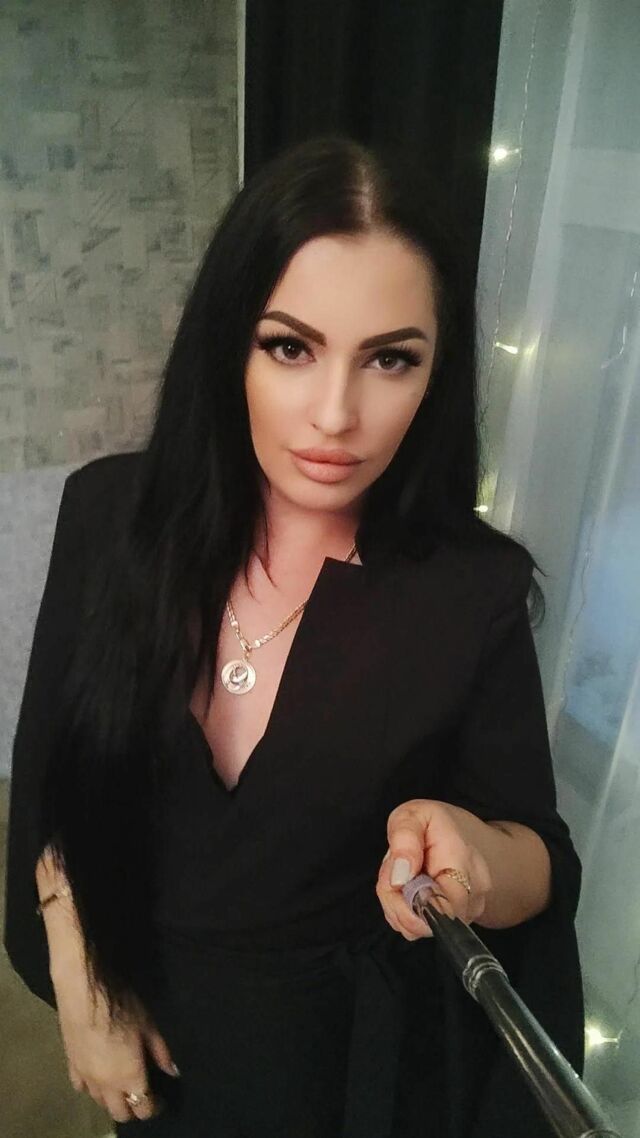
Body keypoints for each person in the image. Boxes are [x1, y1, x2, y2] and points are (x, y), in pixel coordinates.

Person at [4, 134, 584, 1137]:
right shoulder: (110, 518)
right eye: (290, 347)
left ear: (436, 372)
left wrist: (479, 860)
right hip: (152, 1049)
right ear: (229, 342)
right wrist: (79, 974)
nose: (335, 414)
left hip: (351, 1078)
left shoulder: (470, 589)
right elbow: (55, 782)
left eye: (390, 359)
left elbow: (542, 860)